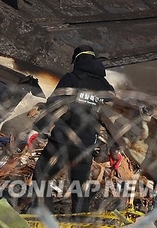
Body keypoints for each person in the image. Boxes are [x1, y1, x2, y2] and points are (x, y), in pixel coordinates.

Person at [28, 45, 115, 214]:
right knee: (79, 188)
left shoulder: (72, 78)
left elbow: (54, 105)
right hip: (87, 144)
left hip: (62, 140)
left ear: (76, 60)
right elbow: (112, 119)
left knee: (42, 176)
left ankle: (43, 217)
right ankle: (79, 222)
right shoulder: (107, 88)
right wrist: (115, 148)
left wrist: (36, 128)